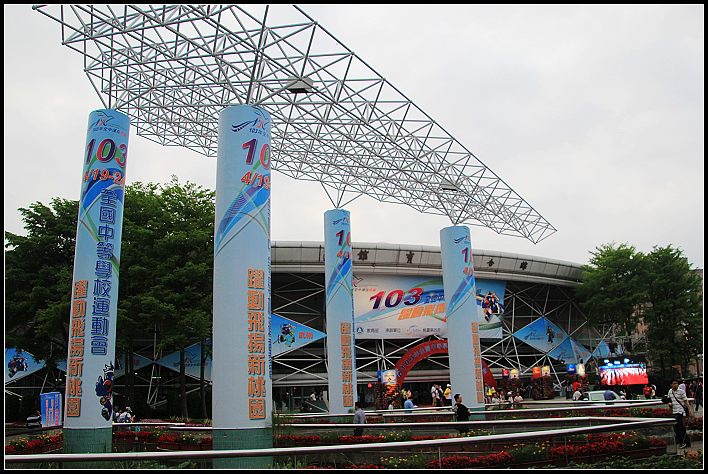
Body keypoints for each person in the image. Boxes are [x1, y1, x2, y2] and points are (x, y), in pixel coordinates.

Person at [666, 379, 692, 449]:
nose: (676, 385)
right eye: (674, 383)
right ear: (671, 385)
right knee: (678, 428)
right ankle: (685, 442)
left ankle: (684, 442)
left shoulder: (681, 391)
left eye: (676, 383)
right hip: (674, 411)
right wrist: (669, 405)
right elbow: (669, 400)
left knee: (679, 427)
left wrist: (689, 410)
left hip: (680, 411)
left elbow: (686, 401)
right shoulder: (670, 391)